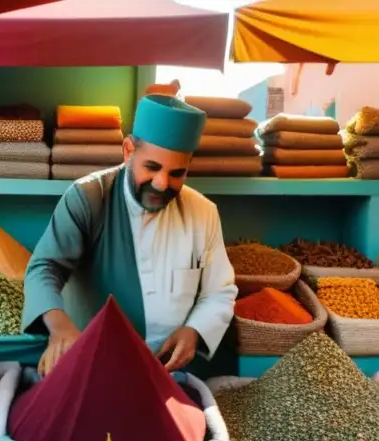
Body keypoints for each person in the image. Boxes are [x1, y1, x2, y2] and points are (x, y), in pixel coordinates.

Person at [22, 94, 237, 376]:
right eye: (152, 167)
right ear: (127, 151)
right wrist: (59, 328)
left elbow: (219, 291)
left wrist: (194, 331)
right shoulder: (88, 197)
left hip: (169, 372)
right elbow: (45, 267)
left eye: (177, 173)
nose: (162, 184)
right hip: (93, 363)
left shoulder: (203, 212)